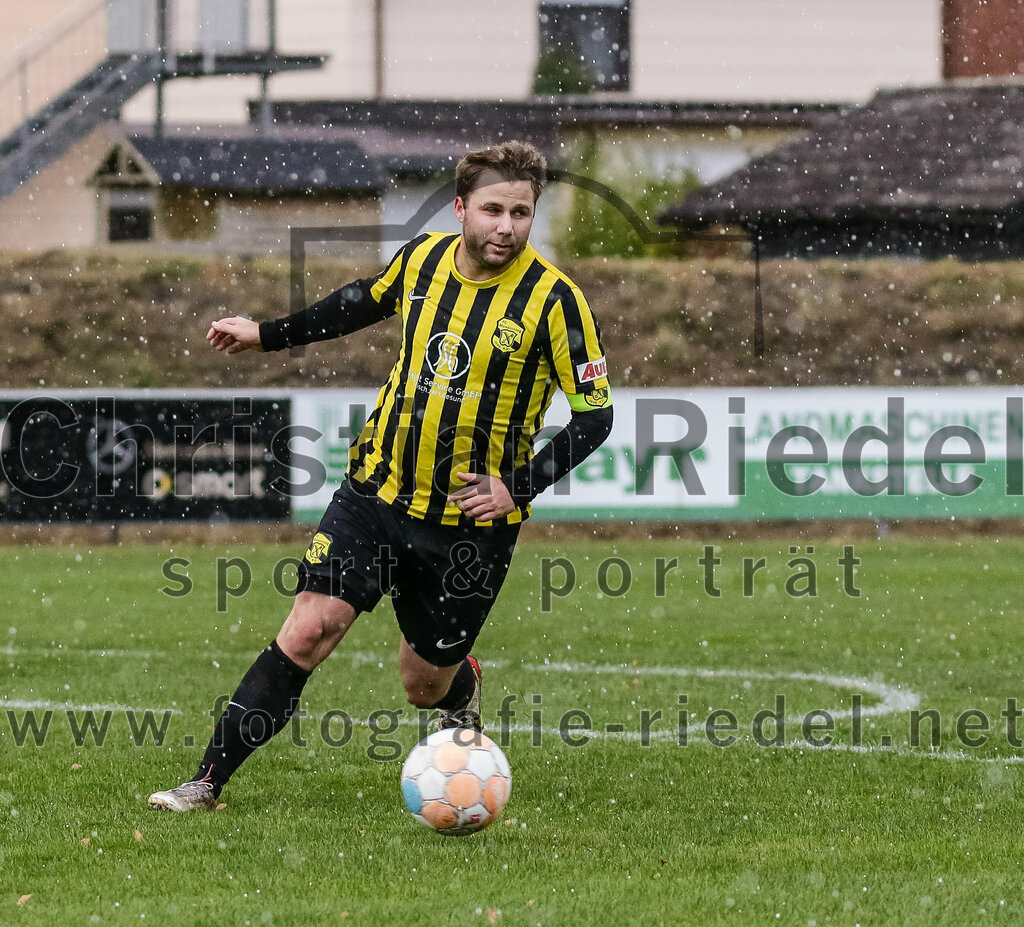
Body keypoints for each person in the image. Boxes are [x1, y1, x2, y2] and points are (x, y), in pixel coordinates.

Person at [148, 140, 614, 812]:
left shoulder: (555, 301)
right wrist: (267, 334)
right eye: (492, 210)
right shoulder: (422, 260)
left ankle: (459, 686)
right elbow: (355, 304)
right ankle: (206, 782)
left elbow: (595, 416)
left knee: (423, 684)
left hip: (469, 526)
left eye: (521, 212)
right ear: (461, 208)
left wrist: (517, 486)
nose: (507, 226)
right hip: (376, 493)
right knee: (309, 629)